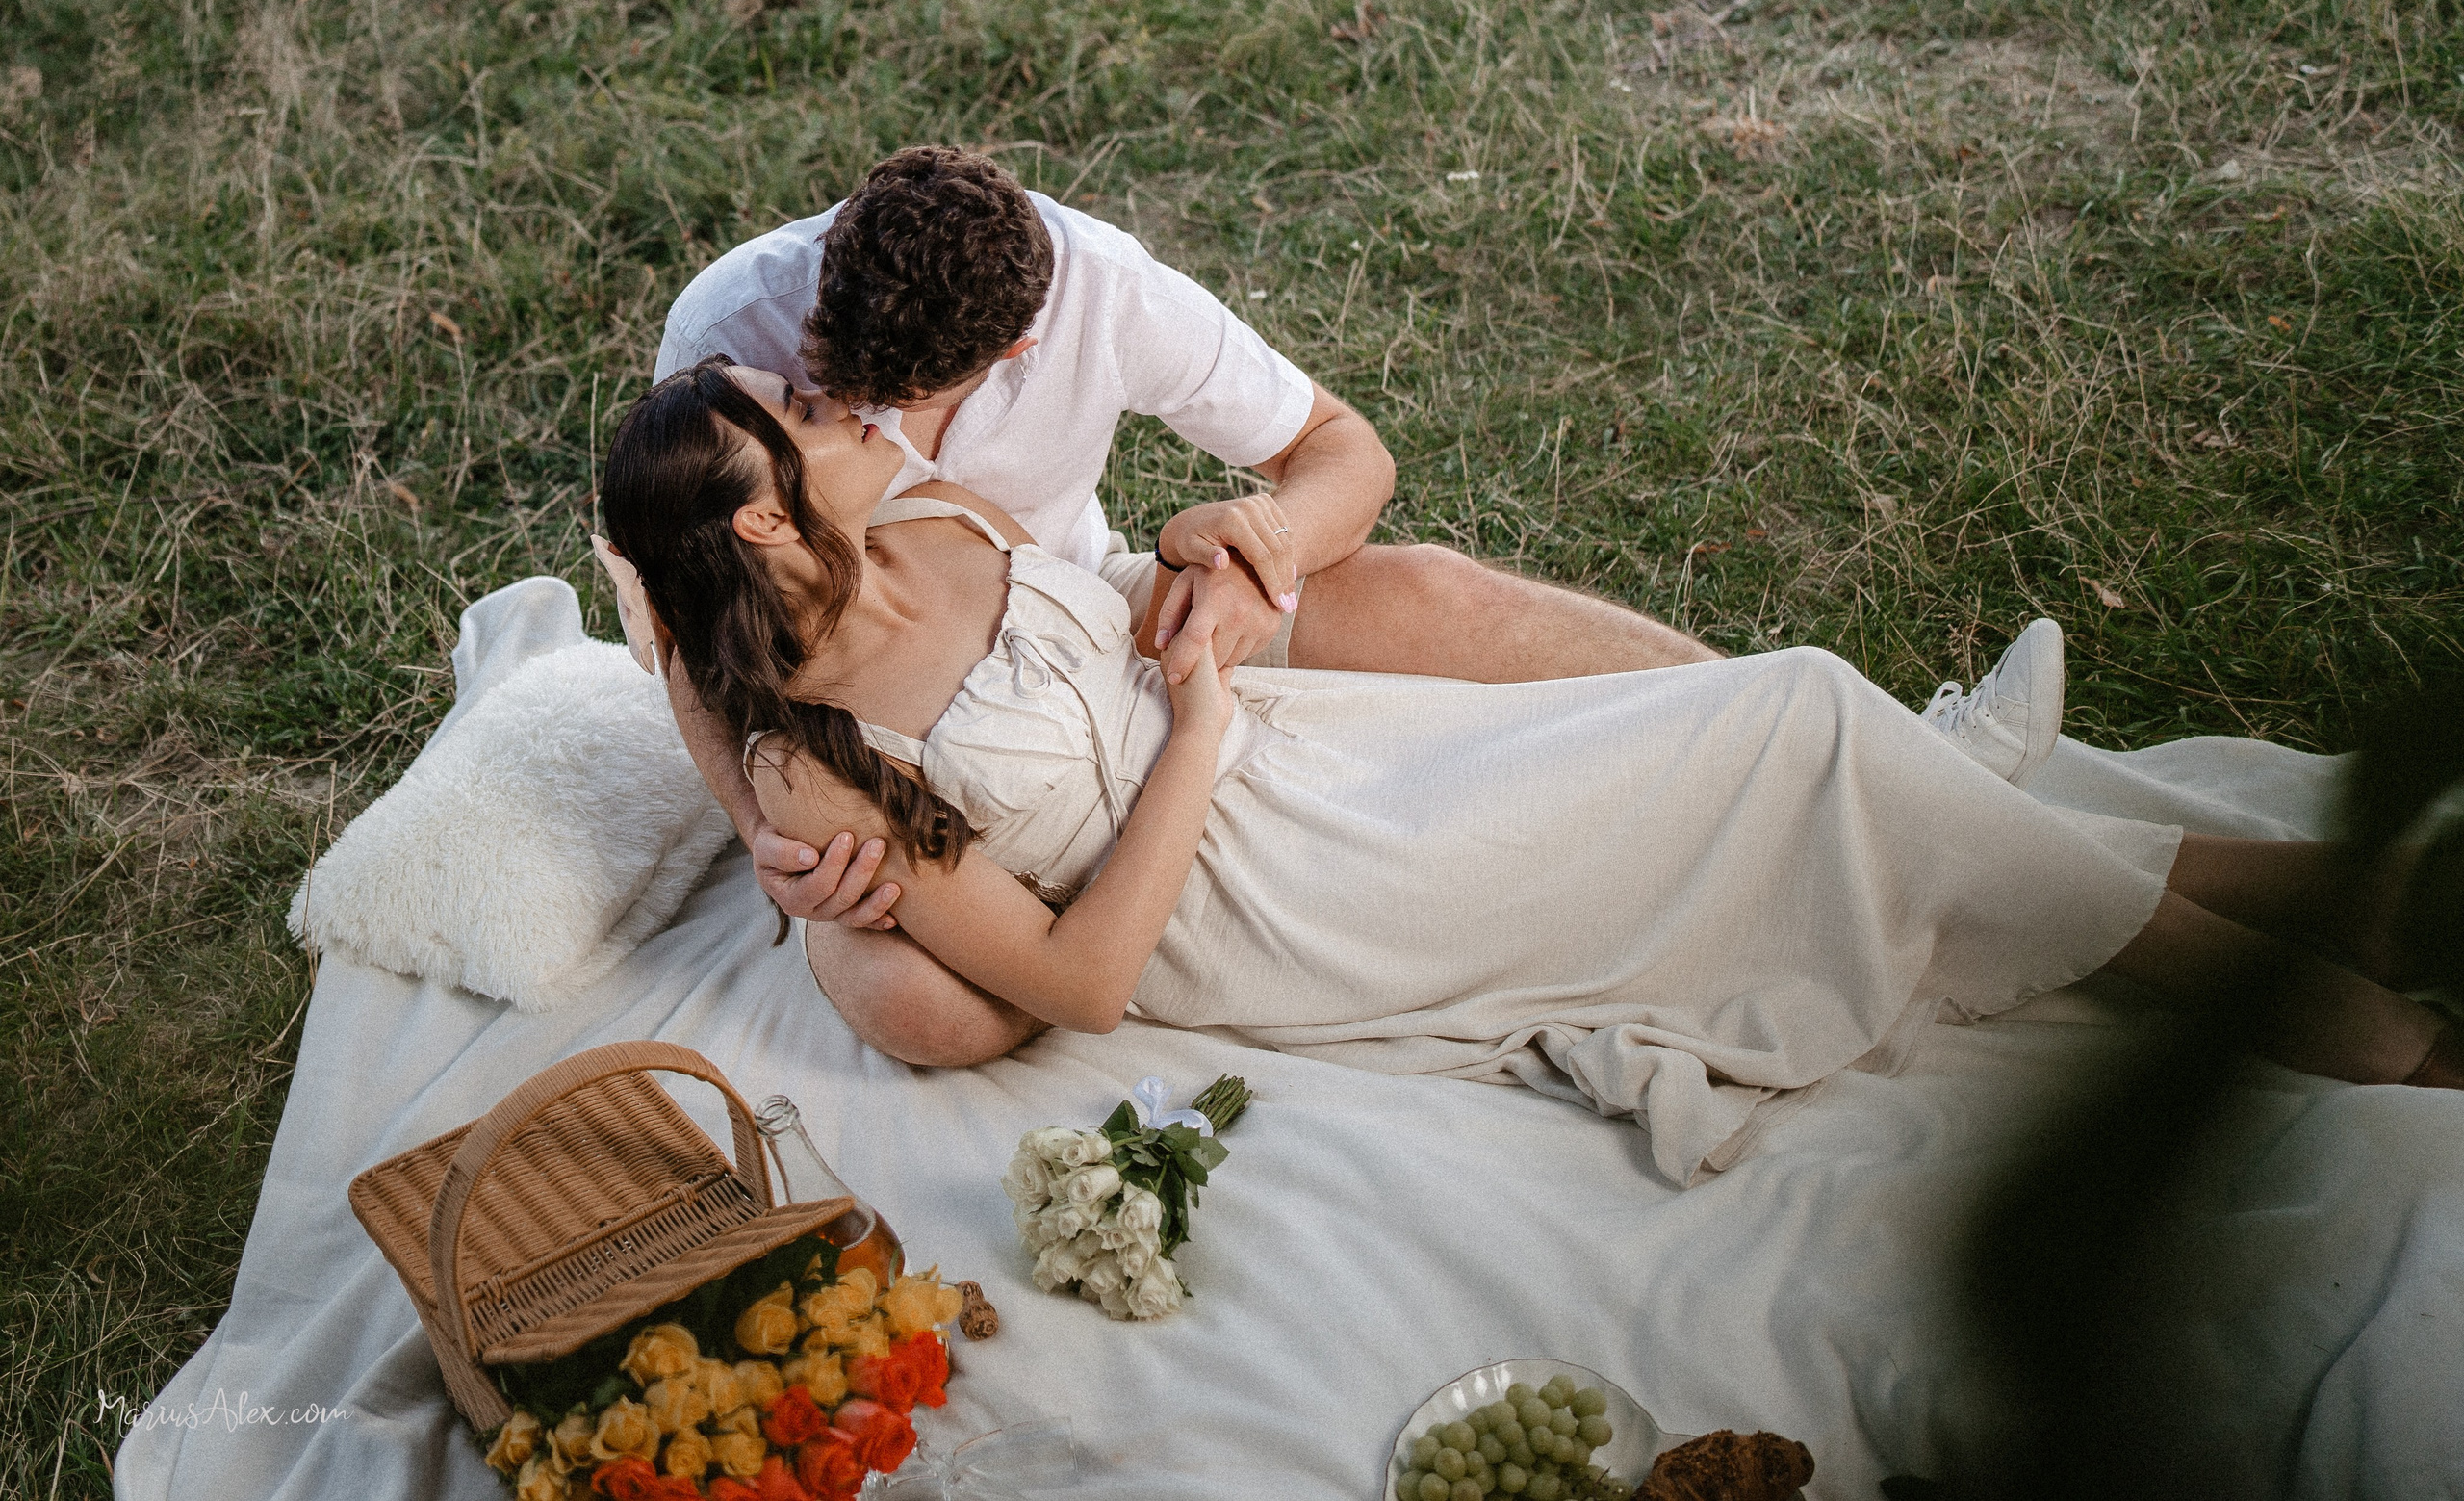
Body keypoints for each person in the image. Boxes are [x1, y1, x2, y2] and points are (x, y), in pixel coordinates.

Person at [597, 361, 2460, 1185]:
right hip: (1270, 896)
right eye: (803, 423)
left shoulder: (923, 501)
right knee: (1804, 728)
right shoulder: (824, 775)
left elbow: (1137, 527)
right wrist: (1205, 733)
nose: (845, 407)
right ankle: (2349, 1010)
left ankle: (2344, 916)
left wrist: (1205, 554)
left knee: (1805, 738)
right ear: (762, 537)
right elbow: (1081, 981)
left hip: (1332, 756)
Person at [652, 147, 2065, 992]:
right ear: (826, 259)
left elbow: (1343, 454)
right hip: (897, 728)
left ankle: (1882, 752)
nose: (873, 424)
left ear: (1020, 346)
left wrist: (1261, 543)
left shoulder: (1105, 292)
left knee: (1438, 587)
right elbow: (677, 605)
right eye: (838, 390)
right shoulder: (736, 334)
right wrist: (767, 839)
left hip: (1081, 616)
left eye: (914, 399)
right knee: (915, 999)